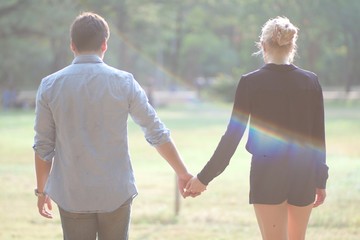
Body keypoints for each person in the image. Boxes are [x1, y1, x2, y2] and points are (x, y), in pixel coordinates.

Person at [33, 12, 193, 240]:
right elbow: (155, 131)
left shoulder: (50, 86)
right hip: (116, 191)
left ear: (72, 45)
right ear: (104, 45)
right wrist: (183, 172)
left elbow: (43, 146)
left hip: (72, 192)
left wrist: (41, 191)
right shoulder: (124, 82)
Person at [186, 16, 329, 240]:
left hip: (267, 172)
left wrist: (204, 178)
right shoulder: (310, 82)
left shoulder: (250, 83)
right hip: (304, 173)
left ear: (263, 45)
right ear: (293, 45)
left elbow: (231, 138)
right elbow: (318, 137)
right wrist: (320, 179)